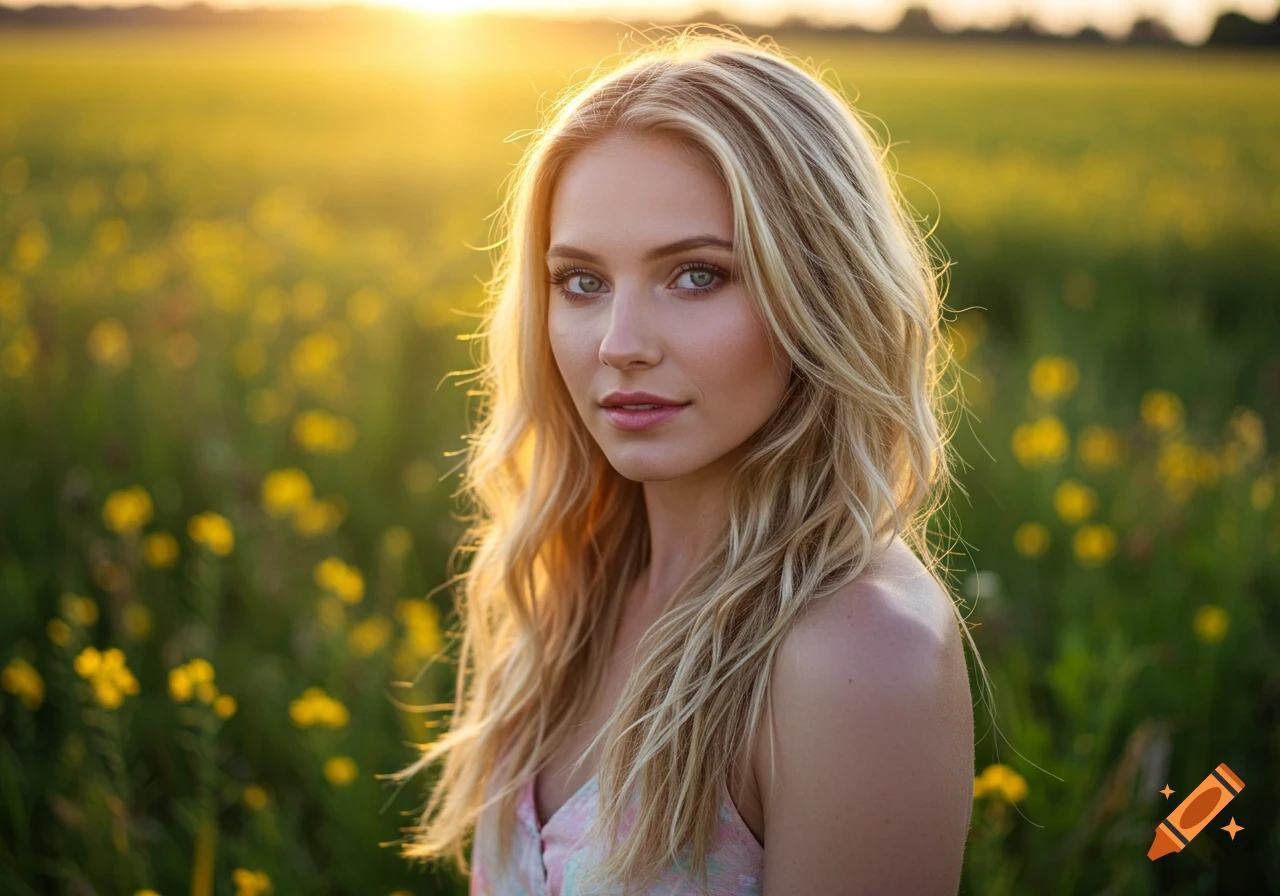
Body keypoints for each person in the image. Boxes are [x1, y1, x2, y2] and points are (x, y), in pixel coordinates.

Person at [385, 23, 990, 895]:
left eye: (697, 275)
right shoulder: (573, 578)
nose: (619, 344)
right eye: (582, 281)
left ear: (819, 290)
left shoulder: (855, 657)